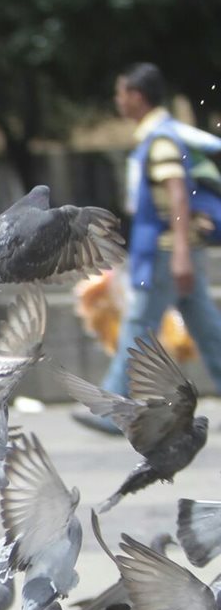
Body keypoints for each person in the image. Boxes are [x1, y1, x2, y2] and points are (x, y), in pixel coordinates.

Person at [75, 62, 221, 434]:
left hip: (165, 253)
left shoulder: (160, 141)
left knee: (138, 326)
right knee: (207, 329)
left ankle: (113, 409)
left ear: (136, 97)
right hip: (172, 251)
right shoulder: (160, 136)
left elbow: (178, 196)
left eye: (121, 93)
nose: (118, 100)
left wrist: (181, 254)